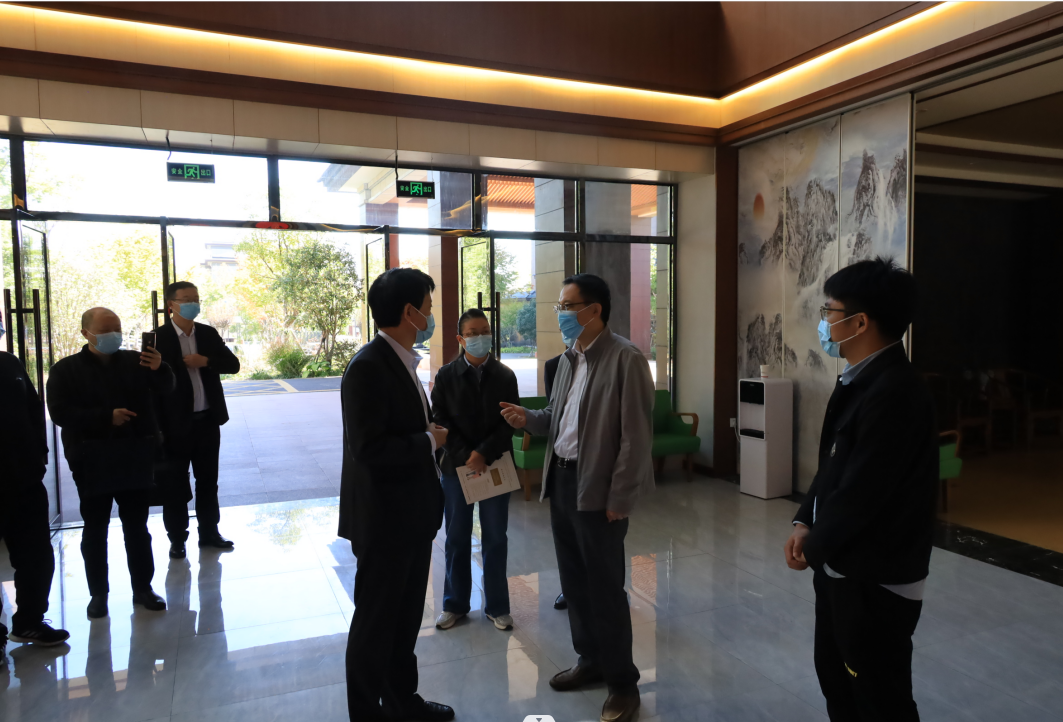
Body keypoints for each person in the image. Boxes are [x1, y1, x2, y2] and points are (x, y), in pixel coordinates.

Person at [784, 257, 936, 722]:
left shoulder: (896, 392)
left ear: (860, 322)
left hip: (875, 579)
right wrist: (804, 521)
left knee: (878, 696)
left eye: (829, 311)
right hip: (842, 568)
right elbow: (833, 466)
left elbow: (863, 492)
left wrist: (815, 548)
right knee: (838, 680)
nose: (824, 322)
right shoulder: (859, 378)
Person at [500, 273, 654, 722]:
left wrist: (619, 497)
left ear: (594, 310)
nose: (561, 314)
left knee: (605, 589)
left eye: (568, 306)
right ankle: (591, 661)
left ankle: (623, 684)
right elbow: (557, 417)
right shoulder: (569, 359)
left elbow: (635, 438)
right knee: (574, 583)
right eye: (560, 306)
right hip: (563, 482)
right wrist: (527, 418)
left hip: (599, 490)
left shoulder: (626, 359)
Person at [338, 268, 454, 722]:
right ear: (409, 312)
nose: (431, 316)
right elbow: (368, 448)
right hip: (385, 521)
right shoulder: (368, 366)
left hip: (411, 517)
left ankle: (403, 702)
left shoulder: (401, 360)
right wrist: (429, 440)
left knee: (403, 622)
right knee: (376, 625)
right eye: (428, 307)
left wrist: (429, 436)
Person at [47, 307, 176, 619]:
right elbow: (60, 413)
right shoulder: (65, 370)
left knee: (137, 527)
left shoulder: (136, 361)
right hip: (91, 458)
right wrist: (106, 417)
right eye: (105, 331)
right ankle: (98, 594)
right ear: (86, 334)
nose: (113, 336)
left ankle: (143, 589)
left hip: (135, 454)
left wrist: (160, 368)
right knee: (95, 529)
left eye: (117, 329)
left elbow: (167, 388)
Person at [430, 309, 520, 631]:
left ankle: (497, 606)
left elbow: (509, 421)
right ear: (460, 338)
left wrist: (484, 452)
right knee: (456, 537)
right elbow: (439, 421)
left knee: (495, 537)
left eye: (484, 331)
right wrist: (467, 455)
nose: (480, 337)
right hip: (457, 468)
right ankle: (454, 604)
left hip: (495, 464)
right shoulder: (446, 376)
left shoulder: (505, 376)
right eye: (472, 333)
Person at [0, 310, 70, 660]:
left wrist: (40, 455)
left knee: (37, 556)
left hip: (23, 479)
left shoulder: (9, 363)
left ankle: (29, 620)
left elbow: (32, 409)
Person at [155, 281, 241, 559]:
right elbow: (149, 382)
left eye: (196, 298)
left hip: (207, 421)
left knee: (208, 481)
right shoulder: (158, 338)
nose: (193, 303)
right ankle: (177, 539)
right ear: (171, 305)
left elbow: (233, 365)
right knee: (175, 484)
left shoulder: (207, 333)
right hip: (174, 425)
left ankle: (210, 533)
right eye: (186, 299)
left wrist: (206, 361)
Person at [543, 351, 567, 611]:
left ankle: (610, 590)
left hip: (597, 470)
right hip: (561, 468)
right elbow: (554, 414)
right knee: (566, 538)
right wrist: (527, 417)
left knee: (600, 542)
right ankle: (569, 589)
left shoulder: (620, 359)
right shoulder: (555, 366)